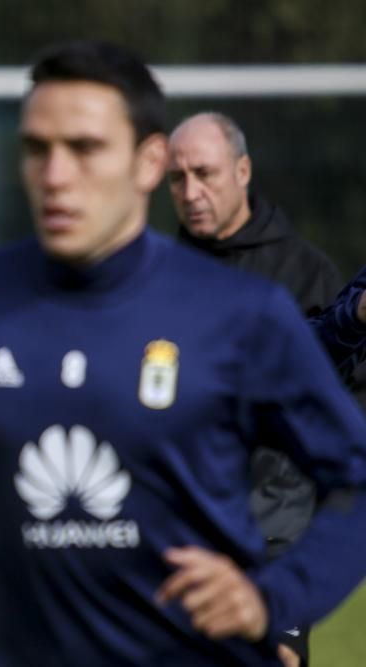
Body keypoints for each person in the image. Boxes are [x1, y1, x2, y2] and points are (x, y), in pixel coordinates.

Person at [0, 40, 366, 667]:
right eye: (36, 148)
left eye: (85, 148)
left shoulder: (242, 313)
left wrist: (275, 598)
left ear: (148, 162)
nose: (55, 176)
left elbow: (355, 477)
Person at [167, 111, 344, 667]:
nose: (191, 192)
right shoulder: (156, 278)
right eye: (178, 178)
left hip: (277, 532)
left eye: (205, 173)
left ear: (243, 170)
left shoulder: (306, 277)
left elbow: (348, 412)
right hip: (180, 531)